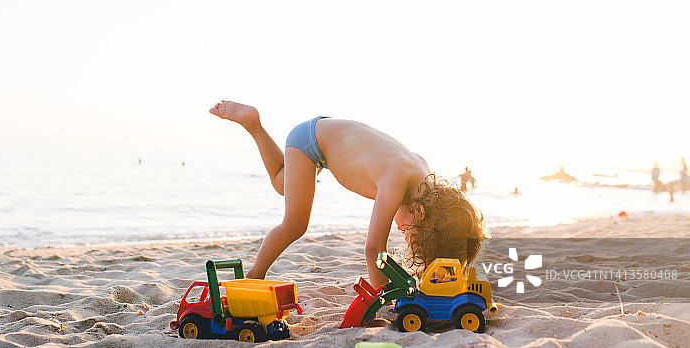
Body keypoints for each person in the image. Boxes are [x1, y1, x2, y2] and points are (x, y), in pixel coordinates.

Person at [209, 100, 489, 288]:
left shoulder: (421, 173)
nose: (402, 231)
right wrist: (382, 296)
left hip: (325, 134)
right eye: (409, 235)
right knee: (295, 224)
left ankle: (253, 126)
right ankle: (254, 277)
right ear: (421, 212)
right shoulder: (396, 181)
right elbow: (373, 249)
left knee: (282, 184)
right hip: (310, 141)